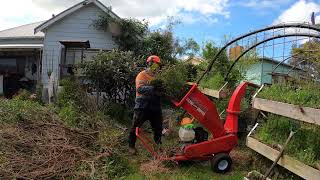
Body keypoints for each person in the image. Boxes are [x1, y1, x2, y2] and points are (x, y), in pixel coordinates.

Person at [128, 55, 163, 155]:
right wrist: (153, 89)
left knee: (158, 128)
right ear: (149, 64)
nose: (156, 67)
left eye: (158, 65)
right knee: (135, 126)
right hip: (142, 105)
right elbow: (139, 89)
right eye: (155, 65)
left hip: (155, 105)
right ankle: (131, 146)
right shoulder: (141, 75)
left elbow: (161, 91)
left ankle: (158, 146)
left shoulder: (158, 77)